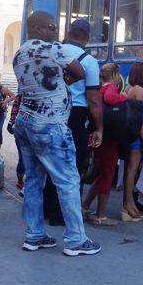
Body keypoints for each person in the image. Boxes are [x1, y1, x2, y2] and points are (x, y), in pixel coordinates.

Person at [12, 10, 100, 256]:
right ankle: (75, 240)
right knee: (68, 181)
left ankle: (34, 235)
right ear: (38, 29)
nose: (55, 31)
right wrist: (65, 80)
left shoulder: (20, 53)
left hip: (25, 121)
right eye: (51, 27)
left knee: (33, 180)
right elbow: (80, 73)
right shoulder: (54, 49)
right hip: (50, 124)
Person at [43, 18, 104, 225]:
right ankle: (62, 213)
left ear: (68, 34)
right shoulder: (88, 60)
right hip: (76, 115)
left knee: (50, 160)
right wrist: (98, 127)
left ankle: (47, 208)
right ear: (87, 38)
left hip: (50, 111)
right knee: (72, 164)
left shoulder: (52, 53)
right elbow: (94, 99)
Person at [81, 63, 123, 226]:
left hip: (99, 138)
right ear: (114, 75)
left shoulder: (100, 88)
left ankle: (85, 206)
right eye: (118, 75)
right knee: (108, 176)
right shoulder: (111, 88)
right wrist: (125, 97)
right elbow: (111, 99)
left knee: (102, 175)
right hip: (108, 140)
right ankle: (100, 216)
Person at [119, 61, 143, 221]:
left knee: (127, 171)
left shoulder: (128, 88)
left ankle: (128, 205)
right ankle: (128, 207)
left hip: (126, 134)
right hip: (135, 136)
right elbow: (139, 119)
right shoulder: (140, 90)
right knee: (132, 171)